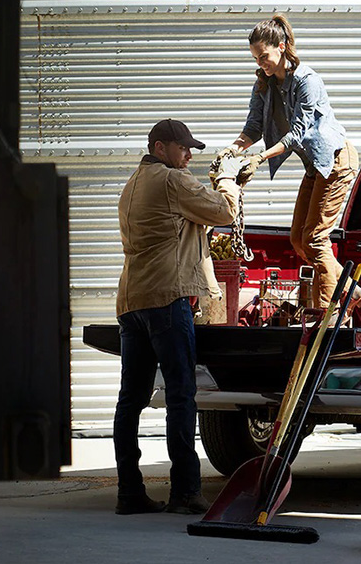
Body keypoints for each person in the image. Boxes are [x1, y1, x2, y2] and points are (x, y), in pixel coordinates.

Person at [113, 119, 251, 515]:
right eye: (183, 148)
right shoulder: (173, 181)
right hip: (168, 300)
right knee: (180, 396)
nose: (189, 154)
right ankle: (185, 492)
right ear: (160, 147)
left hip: (132, 301)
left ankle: (129, 493)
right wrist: (226, 178)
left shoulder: (132, 185)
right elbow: (223, 211)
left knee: (131, 400)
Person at [215, 14, 361, 315]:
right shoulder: (264, 84)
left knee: (315, 238)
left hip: (336, 160)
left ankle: (326, 313)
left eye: (264, 56)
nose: (261, 63)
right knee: (298, 239)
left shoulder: (306, 81)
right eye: (256, 58)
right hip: (316, 166)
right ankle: (352, 292)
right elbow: (253, 127)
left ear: (282, 47)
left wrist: (259, 157)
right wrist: (231, 150)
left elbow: (298, 134)